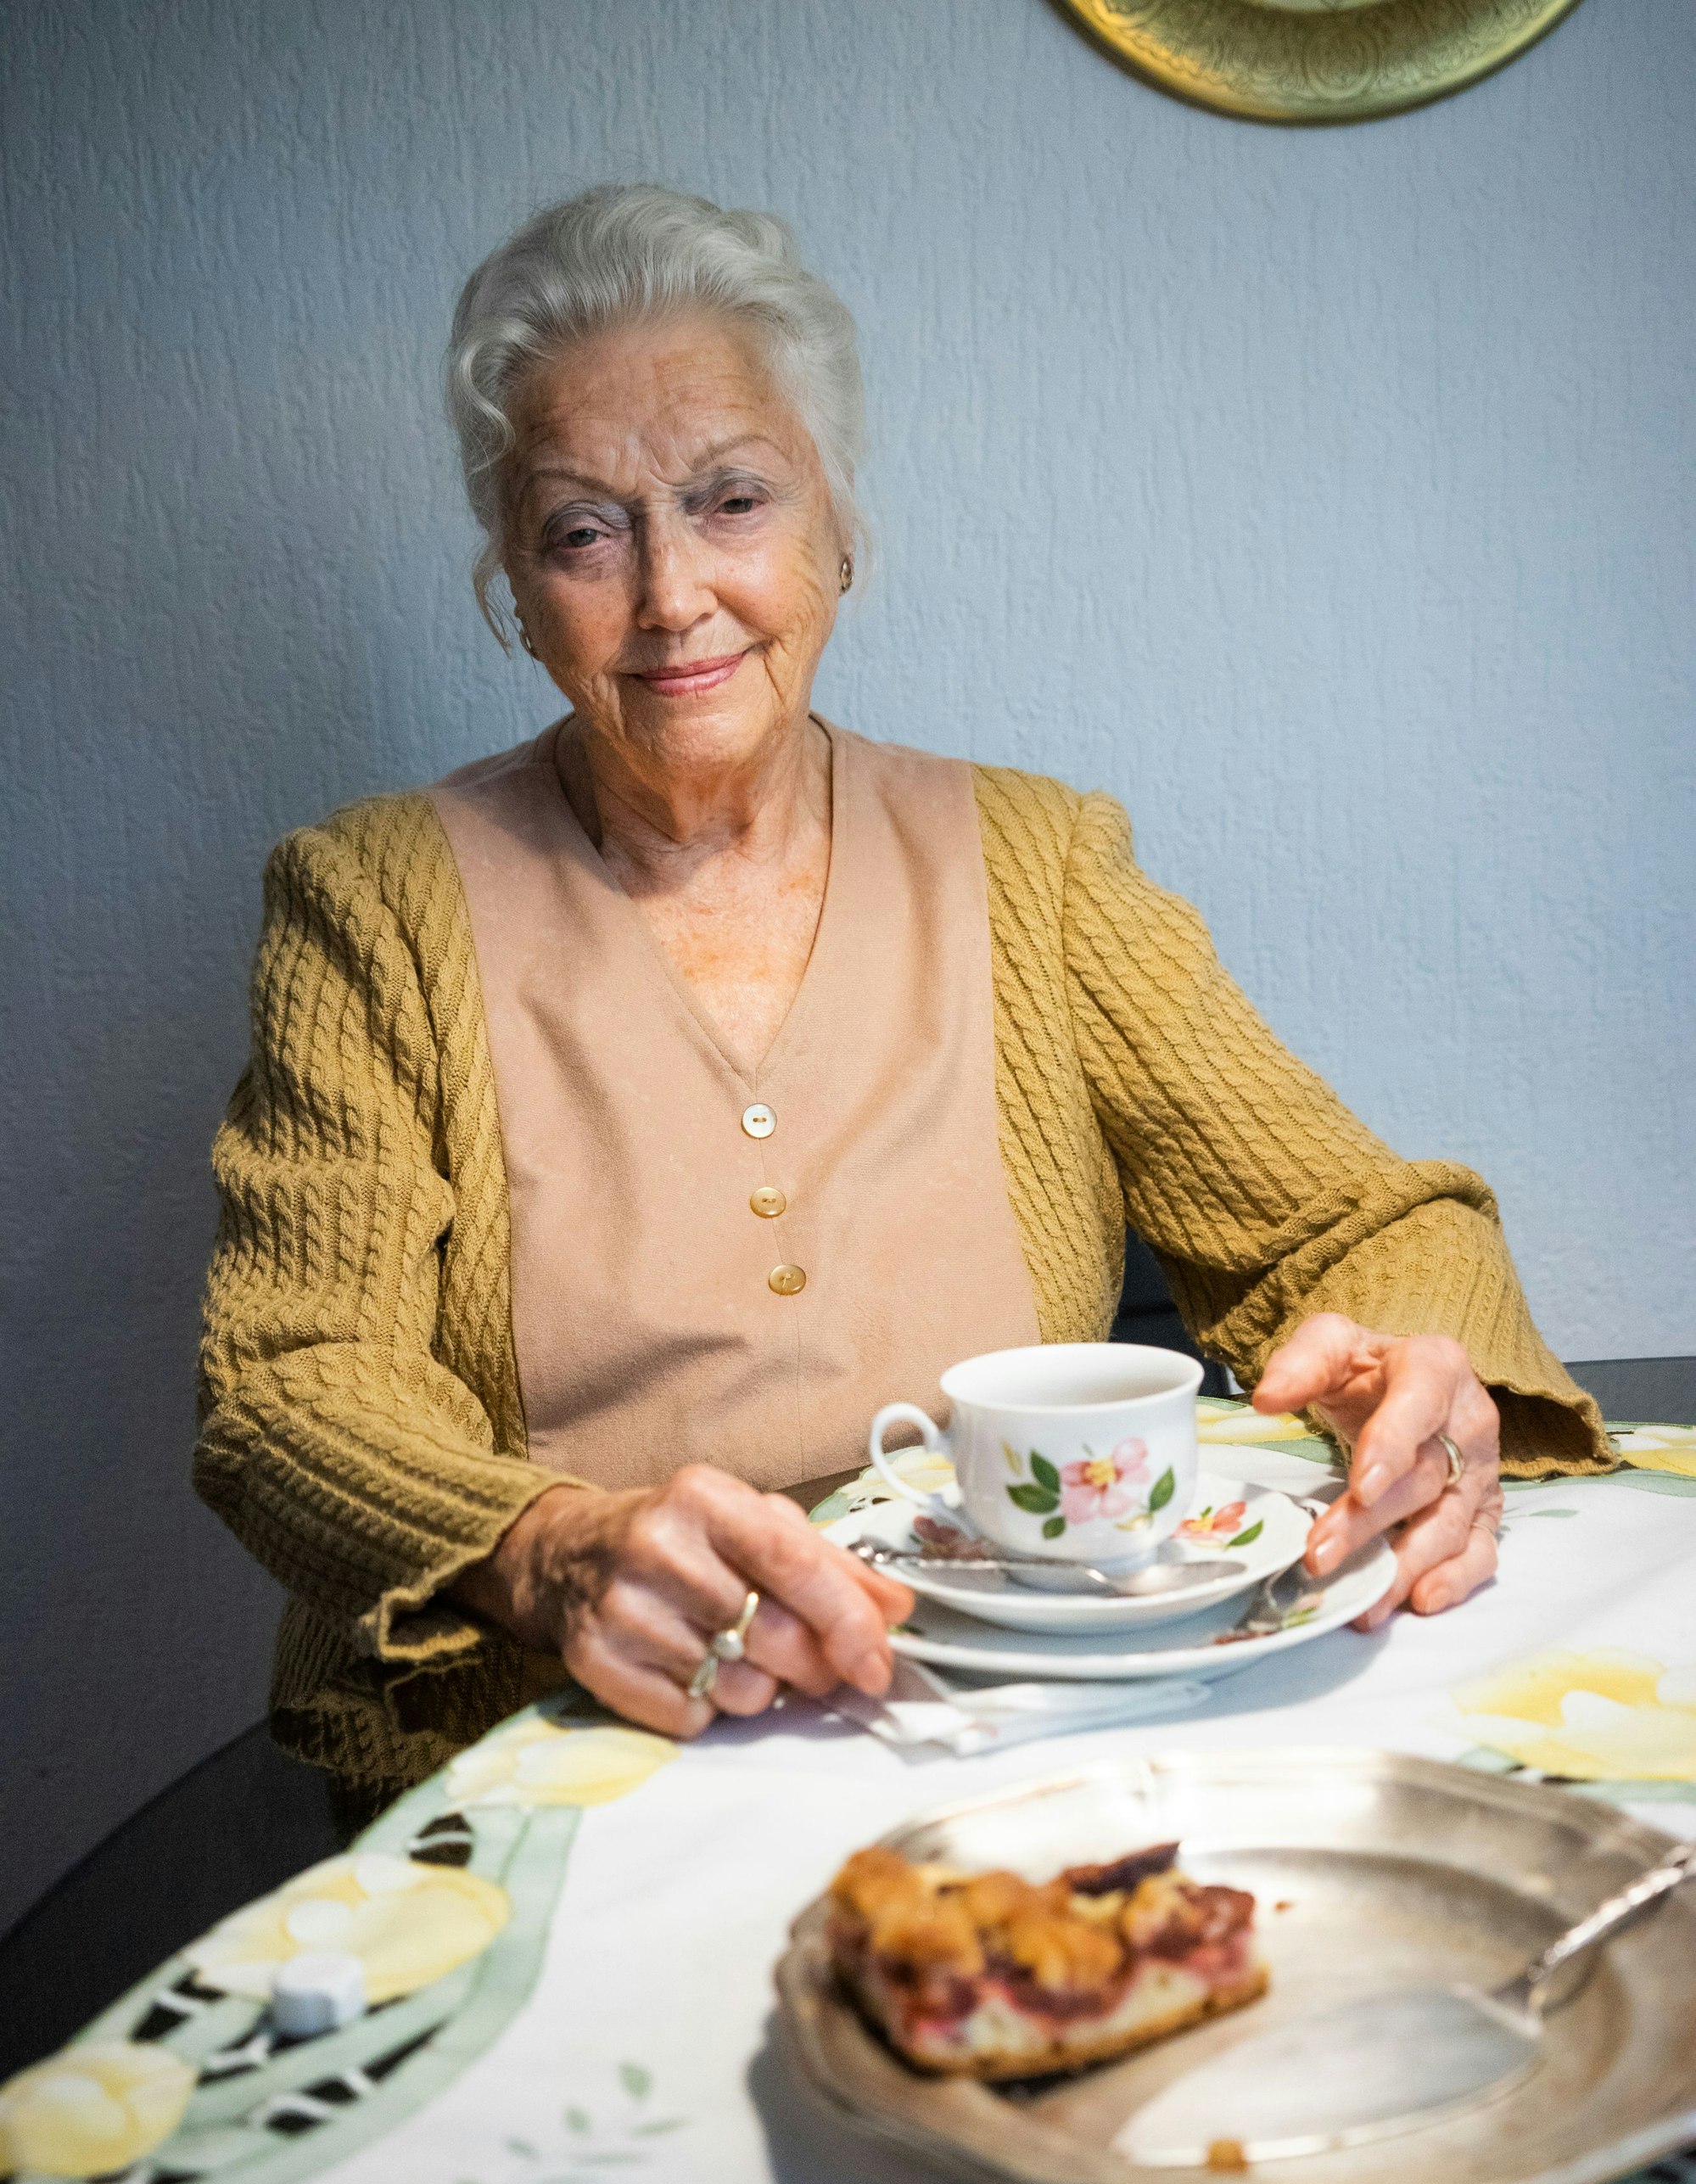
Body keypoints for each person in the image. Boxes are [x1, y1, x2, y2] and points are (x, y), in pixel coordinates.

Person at [195, 185, 1611, 1818]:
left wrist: (1424, 1361)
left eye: (732, 500)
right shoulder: (370, 903)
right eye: (588, 529)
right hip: (588, 1755)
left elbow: (1355, 1226)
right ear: (515, 581)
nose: (670, 597)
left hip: (1038, 1726)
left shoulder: (1038, 862)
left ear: (836, 527)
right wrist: (540, 1546)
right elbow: (291, 1379)